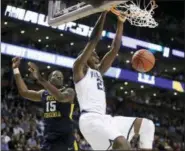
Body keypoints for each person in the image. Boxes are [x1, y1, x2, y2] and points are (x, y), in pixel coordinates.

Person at [73, 11, 155, 150]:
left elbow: (114, 48)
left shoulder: (98, 71)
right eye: (93, 54)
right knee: (123, 145)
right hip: (90, 120)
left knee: (147, 125)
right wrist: (104, 11)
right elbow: (94, 39)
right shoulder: (79, 69)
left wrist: (120, 23)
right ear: (84, 57)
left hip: (105, 119)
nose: (97, 56)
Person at [12, 57, 78, 151]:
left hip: (65, 138)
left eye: (60, 77)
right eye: (55, 75)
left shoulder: (69, 92)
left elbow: (60, 97)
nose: (58, 77)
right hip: (49, 139)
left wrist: (39, 78)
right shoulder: (44, 93)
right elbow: (24, 92)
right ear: (49, 79)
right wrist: (15, 70)